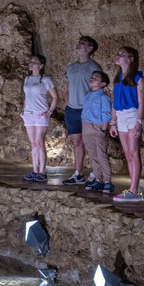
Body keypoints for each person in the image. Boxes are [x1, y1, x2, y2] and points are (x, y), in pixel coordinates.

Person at [60, 36, 106, 183]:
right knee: (77, 141)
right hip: (72, 108)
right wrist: (67, 103)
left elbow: (98, 88)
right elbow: (69, 85)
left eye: (83, 43)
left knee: (92, 142)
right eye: (78, 42)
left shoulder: (94, 66)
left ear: (90, 49)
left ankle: (97, 175)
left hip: (87, 110)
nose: (78, 45)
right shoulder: (71, 67)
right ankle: (78, 173)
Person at [104, 46, 144, 200]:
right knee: (128, 154)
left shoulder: (138, 78)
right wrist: (113, 122)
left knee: (134, 153)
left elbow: (141, 102)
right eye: (118, 53)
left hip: (133, 114)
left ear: (131, 59)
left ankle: (135, 190)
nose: (118, 55)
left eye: (122, 54)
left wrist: (139, 122)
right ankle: (132, 189)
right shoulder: (118, 79)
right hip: (121, 116)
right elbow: (115, 102)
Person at [19, 54, 57, 183]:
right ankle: (35, 170)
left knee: (39, 142)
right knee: (33, 143)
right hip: (28, 114)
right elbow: (27, 96)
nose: (31, 63)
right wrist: (23, 109)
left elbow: (55, 97)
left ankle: (42, 172)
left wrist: (49, 111)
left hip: (40, 113)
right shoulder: (27, 79)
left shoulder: (46, 79)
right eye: (31, 61)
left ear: (41, 66)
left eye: (35, 62)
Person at [79, 72, 115, 192]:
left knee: (101, 155)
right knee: (93, 155)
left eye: (96, 78)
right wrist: (84, 125)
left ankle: (108, 180)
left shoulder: (103, 97)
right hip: (87, 128)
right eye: (92, 76)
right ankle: (98, 179)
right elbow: (84, 111)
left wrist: (104, 128)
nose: (92, 78)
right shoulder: (87, 95)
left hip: (98, 127)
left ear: (102, 84)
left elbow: (106, 113)